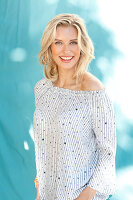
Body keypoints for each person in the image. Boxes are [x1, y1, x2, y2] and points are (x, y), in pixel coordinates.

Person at [33, 13, 117, 200]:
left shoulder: (94, 92)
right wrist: (40, 191)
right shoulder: (42, 89)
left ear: (82, 46)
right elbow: (43, 146)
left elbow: (107, 153)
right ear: (49, 46)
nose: (66, 50)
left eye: (73, 42)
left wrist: (85, 197)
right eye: (58, 42)